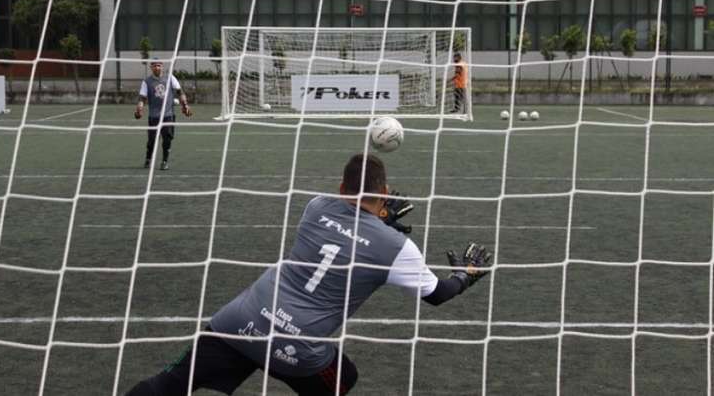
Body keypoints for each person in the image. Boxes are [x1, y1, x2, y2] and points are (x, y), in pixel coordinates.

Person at [125, 153, 493, 395]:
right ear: (383, 193)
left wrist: (377, 219)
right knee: (343, 378)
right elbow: (438, 294)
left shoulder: (316, 207)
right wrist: (467, 273)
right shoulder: (397, 247)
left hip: (239, 319)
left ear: (340, 188)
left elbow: (349, 225)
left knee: (169, 384)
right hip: (293, 345)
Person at [134, 59, 192, 171]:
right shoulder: (147, 82)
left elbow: (180, 92)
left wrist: (185, 105)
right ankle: (148, 159)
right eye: (154, 66)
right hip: (154, 116)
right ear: (151, 67)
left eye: (159, 65)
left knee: (167, 139)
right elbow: (142, 98)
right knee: (152, 140)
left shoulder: (170, 78)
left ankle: (164, 161)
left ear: (162, 66)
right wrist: (139, 108)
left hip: (168, 115)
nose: (157, 67)